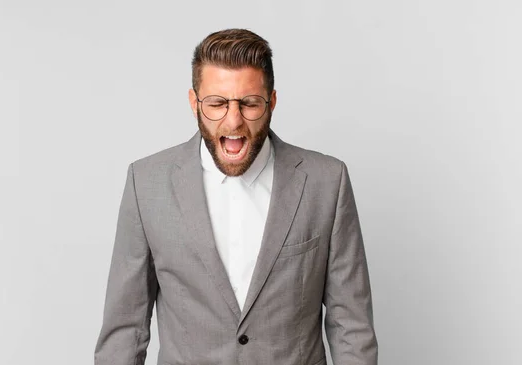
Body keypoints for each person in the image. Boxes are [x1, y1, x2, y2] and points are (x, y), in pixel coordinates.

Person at [94, 28, 378, 365]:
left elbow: (352, 327)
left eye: (249, 103)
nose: (233, 121)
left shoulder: (326, 181)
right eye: (216, 103)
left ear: (271, 102)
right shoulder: (147, 183)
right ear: (194, 103)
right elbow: (125, 332)